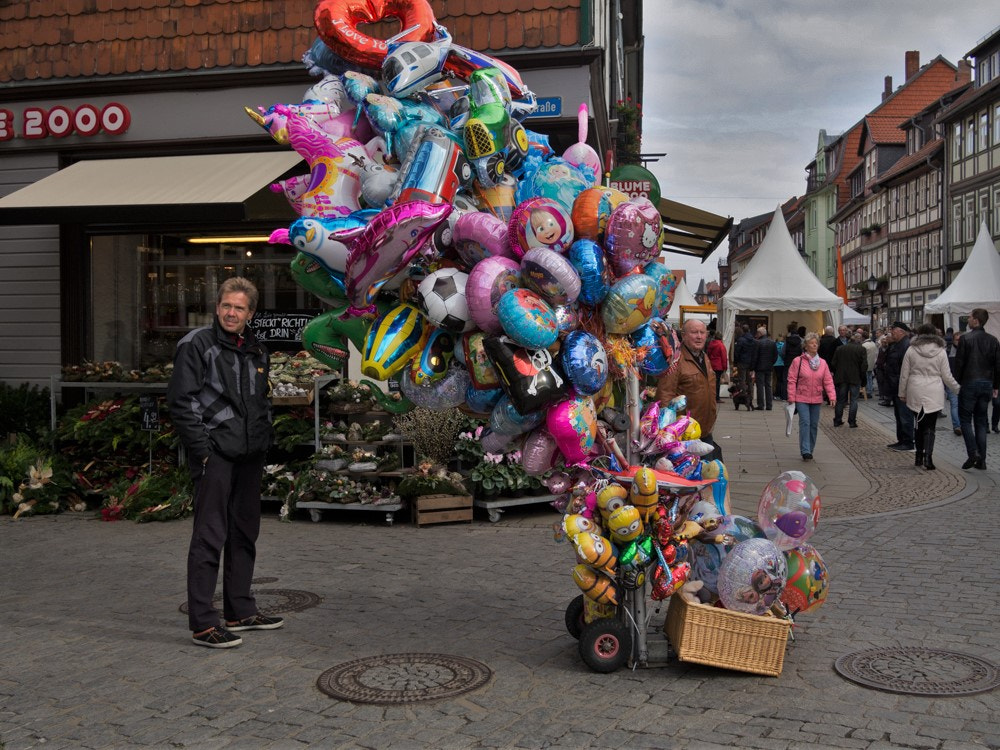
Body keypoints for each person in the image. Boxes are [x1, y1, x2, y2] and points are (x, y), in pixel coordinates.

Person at [167, 277, 281, 649]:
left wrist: (262, 442)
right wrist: (202, 450)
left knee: (244, 533)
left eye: (240, 308)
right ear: (217, 307)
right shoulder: (197, 345)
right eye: (227, 306)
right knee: (209, 536)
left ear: (251, 314)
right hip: (214, 454)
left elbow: (259, 401)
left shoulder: (256, 349)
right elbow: (182, 403)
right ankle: (203, 622)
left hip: (248, 455)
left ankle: (240, 610)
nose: (232, 313)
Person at [657, 318, 722, 461]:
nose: (699, 336)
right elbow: (665, 394)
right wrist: (667, 433)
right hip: (684, 436)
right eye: (694, 332)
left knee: (709, 476)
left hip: (705, 430)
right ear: (684, 335)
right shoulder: (676, 360)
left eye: (702, 332)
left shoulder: (704, 357)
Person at [899, 323, 960, 471]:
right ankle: (928, 458)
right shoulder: (941, 351)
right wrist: (957, 388)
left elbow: (904, 373)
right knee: (930, 426)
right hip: (934, 389)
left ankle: (918, 456)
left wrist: (902, 392)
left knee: (918, 424)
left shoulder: (911, 350)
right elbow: (946, 375)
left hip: (915, 389)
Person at [954, 308, 1000, 470]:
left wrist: (956, 382)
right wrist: (995, 386)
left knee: (965, 420)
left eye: (970, 317)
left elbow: (959, 363)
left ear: (976, 320)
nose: (968, 320)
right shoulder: (993, 340)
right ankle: (982, 460)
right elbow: (997, 365)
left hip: (969, 382)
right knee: (981, 421)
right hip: (986, 383)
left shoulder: (966, 339)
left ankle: (973, 453)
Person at [786, 332, 836, 461]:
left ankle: (810, 448)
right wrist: (791, 396)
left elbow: (828, 380)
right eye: (811, 343)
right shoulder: (798, 361)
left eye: (816, 343)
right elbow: (791, 379)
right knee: (805, 423)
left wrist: (832, 396)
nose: (815, 345)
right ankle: (805, 450)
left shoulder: (823, 363)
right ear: (806, 346)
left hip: (816, 397)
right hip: (801, 397)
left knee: (813, 425)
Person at [885, 321, 915, 451]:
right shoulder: (896, 344)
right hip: (895, 384)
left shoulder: (906, 345)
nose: (892, 332)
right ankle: (901, 440)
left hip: (901, 385)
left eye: (894, 330)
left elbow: (906, 368)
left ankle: (908, 442)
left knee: (905, 415)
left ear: (901, 331)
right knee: (899, 414)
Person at [831, 332, 867, 428]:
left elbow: (833, 363)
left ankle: (837, 420)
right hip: (855, 377)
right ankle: (852, 421)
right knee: (854, 400)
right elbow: (864, 366)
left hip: (842, 377)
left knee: (841, 400)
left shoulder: (840, 349)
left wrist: (838, 372)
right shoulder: (861, 349)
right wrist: (863, 378)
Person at [753, 325, 778, 410]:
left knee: (760, 386)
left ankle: (761, 405)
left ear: (760, 333)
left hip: (759, 367)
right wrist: (771, 363)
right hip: (769, 367)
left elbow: (755, 356)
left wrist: (753, 367)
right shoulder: (772, 342)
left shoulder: (758, 342)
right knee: (768, 386)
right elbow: (775, 355)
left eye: (757, 332)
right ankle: (769, 405)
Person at [733, 324, 757, 410]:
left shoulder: (741, 340)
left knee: (742, 379)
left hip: (742, 362)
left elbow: (737, 351)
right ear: (749, 330)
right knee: (749, 380)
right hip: (750, 363)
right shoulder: (754, 340)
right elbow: (755, 353)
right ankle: (750, 397)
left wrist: (736, 361)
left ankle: (743, 395)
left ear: (742, 330)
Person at [945, 330, 962, 435]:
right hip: (951, 381)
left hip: (963, 382)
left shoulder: (966, 350)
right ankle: (957, 426)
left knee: (961, 405)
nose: (958, 342)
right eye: (957, 340)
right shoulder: (948, 351)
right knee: (955, 404)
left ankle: (961, 424)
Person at [706, 329, 728, 403]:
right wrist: (725, 368)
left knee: (711, 382)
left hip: (712, 365)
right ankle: (717, 397)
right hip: (719, 366)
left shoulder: (711, 344)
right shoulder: (721, 345)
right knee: (717, 382)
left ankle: (710, 396)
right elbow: (724, 357)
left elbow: (708, 354)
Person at [783, 322, 803, 398]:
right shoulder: (801, 341)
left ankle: (786, 395)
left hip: (788, 361)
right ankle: (797, 395)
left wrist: (785, 358)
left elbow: (782, 352)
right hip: (798, 362)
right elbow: (803, 352)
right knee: (798, 379)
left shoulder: (787, 341)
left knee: (787, 379)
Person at [862, 331, 878, 400]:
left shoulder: (864, 345)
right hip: (872, 363)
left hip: (866, 363)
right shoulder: (873, 344)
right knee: (869, 377)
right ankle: (870, 390)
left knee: (866, 378)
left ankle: (868, 392)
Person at [773, 334, 786, 401]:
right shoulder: (783, 345)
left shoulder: (774, 345)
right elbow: (783, 354)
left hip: (775, 364)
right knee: (781, 380)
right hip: (782, 364)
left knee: (777, 379)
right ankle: (780, 394)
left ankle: (776, 394)